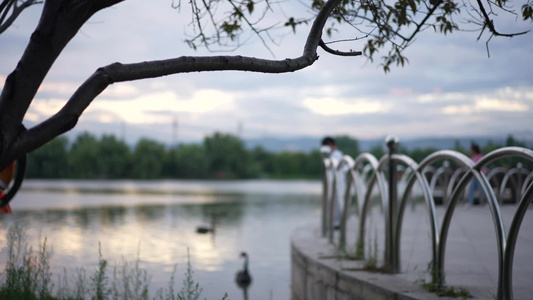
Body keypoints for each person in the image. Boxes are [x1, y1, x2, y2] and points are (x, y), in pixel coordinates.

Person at [321, 137, 344, 229]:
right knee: (333, 204)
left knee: (336, 204)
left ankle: (336, 224)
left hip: (337, 183)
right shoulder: (337, 155)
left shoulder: (336, 156)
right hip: (334, 183)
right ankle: (334, 223)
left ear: (330, 145)